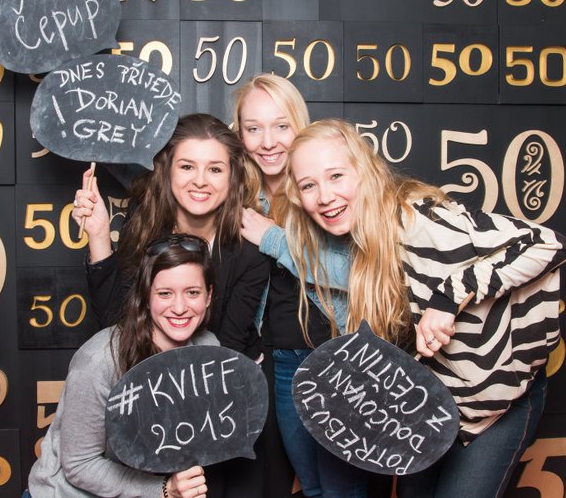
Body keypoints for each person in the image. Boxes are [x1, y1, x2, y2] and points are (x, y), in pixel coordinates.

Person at [241, 118, 566, 498]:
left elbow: (547, 244)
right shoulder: (358, 237)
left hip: (495, 401)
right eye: (309, 185)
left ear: (364, 171)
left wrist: (448, 299)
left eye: (336, 176)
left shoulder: (417, 217)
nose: (325, 196)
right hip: (432, 401)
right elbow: (327, 272)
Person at [72, 113, 269, 497]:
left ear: (232, 177)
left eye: (215, 169)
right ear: (167, 171)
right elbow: (115, 326)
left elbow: (224, 349)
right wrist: (98, 236)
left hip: (219, 403)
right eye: (187, 166)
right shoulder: (146, 224)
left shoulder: (249, 249)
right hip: (145, 398)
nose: (200, 180)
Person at [232, 75, 370, 498]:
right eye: (253, 128)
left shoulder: (326, 189)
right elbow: (174, 177)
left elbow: (355, 272)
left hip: (337, 357)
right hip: (282, 363)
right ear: (239, 135)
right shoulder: (242, 197)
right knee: (311, 487)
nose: (267, 142)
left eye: (281, 126)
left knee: (343, 491)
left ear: (300, 125)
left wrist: (273, 238)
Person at [27, 233, 216, 497]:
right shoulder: (99, 359)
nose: (179, 307)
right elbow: (80, 465)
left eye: (192, 292)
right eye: (165, 293)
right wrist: (163, 489)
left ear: (208, 296)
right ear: (146, 297)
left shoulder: (208, 350)